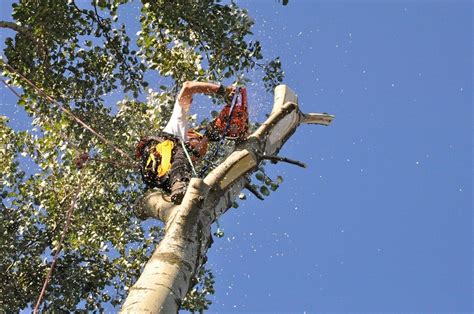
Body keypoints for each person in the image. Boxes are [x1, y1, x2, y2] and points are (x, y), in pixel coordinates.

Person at [135, 81, 242, 204]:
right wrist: (223, 90)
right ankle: (179, 186)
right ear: (191, 136)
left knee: (190, 174)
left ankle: (181, 191)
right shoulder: (178, 125)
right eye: (199, 140)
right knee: (180, 155)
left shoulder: (188, 159)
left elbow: (194, 154)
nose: (201, 151)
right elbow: (188, 86)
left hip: (164, 180)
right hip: (163, 164)